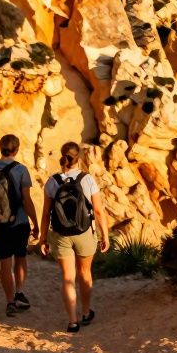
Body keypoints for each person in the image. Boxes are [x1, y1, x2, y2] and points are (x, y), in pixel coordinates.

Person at [39, 142, 110, 333]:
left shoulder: (52, 182)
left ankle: (72, 321)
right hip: (84, 233)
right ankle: (86, 313)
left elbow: (46, 213)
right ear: (79, 158)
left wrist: (42, 238)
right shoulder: (87, 179)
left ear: (62, 156)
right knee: (85, 273)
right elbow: (98, 210)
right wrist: (105, 235)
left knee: (67, 277)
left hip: (60, 235)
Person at [0, 134, 38, 317]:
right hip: (19, 223)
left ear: (0, 148)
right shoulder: (21, 170)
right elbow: (26, 200)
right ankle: (19, 293)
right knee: (20, 258)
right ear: (16, 150)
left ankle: (10, 302)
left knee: (5, 263)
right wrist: (35, 222)